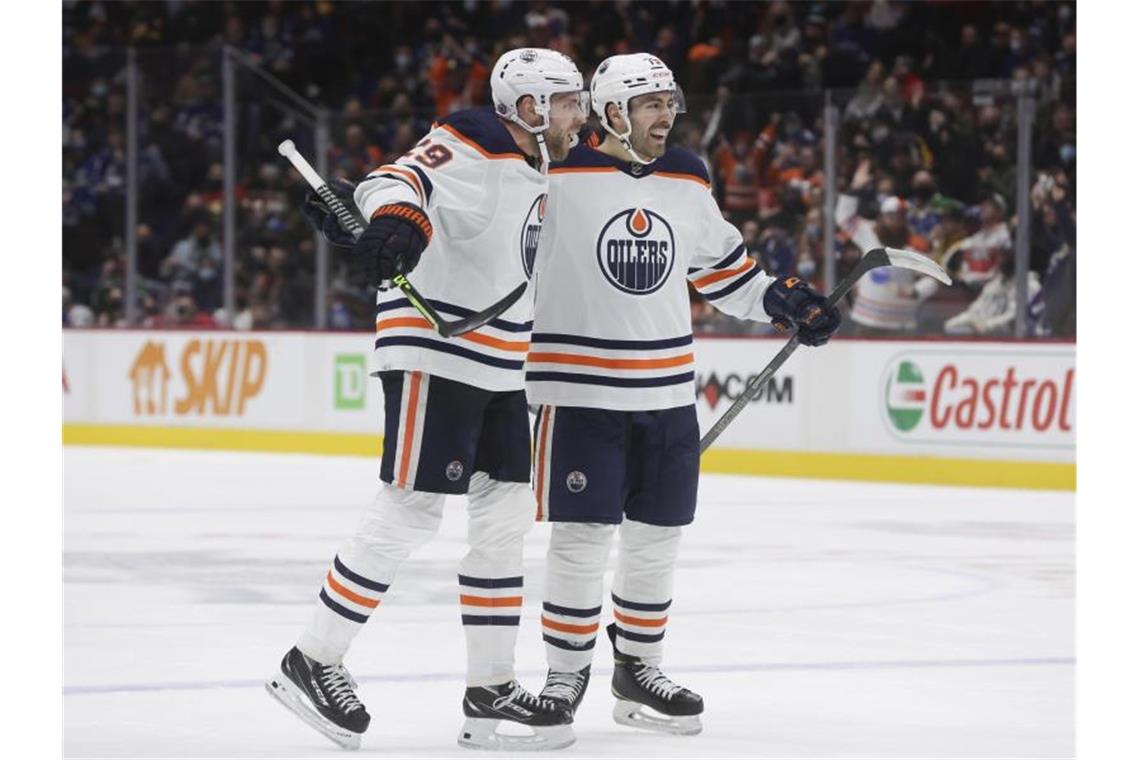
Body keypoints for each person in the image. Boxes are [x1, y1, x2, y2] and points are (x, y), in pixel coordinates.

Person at [267, 48, 589, 751]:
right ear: (531, 107)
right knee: (411, 509)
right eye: (569, 101)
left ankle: (490, 689)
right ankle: (311, 660)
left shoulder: (537, 165)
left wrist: (376, 207)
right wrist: (398, 220)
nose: (579, 115)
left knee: (504, 519)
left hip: (500, 362)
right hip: (438, 350)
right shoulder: (481, 133)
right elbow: (398, 177)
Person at [526, 54, 840, 738]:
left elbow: (723, 270)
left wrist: (785, 301)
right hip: (577, 392)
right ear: (611, 113)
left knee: (657, 538)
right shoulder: (552, 177)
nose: (666, 115)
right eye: (650, 104)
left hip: (666, 392)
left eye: (670, 102)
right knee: (581, 540)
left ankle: (637, 667)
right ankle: (563, 673)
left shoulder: (687, 176)